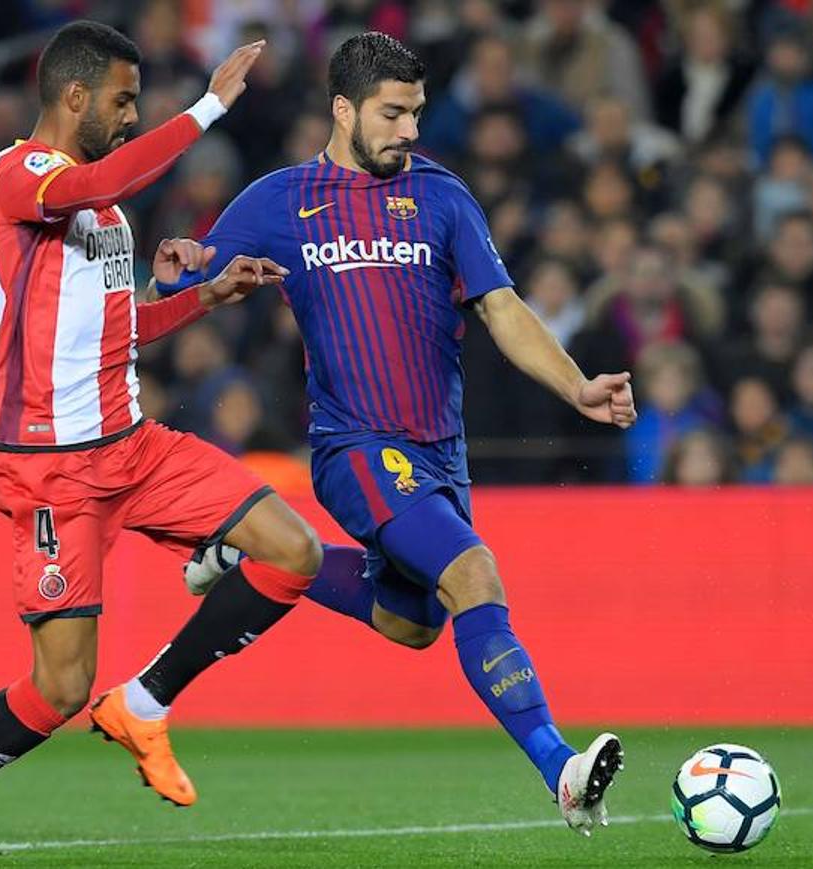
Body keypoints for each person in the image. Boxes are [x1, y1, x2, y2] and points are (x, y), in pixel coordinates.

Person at [0, 23, 324, 869]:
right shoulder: (19, 176)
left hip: (135, 445)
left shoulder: (103, 214)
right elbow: (110, 171)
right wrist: (211, 105)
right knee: (60, 686)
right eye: (121, 99)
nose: (130, 113)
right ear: (73, 96)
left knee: (293, 552)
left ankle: (145, 702)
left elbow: (121, 326)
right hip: (51, 467)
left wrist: (208, 298)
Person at [156, 33, 634, 836]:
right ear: (343, 110)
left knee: (413, 623)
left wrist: (576, 382)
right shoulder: (281, 199)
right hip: (356, 445)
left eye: (415, 112)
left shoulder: (444, 197)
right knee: (474, 572)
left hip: (439, 452)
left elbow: (502, 308)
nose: (409, 130)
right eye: (392, 113)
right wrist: (178, 268)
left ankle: (256, 553)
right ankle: (562, 769)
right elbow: (196, 275)